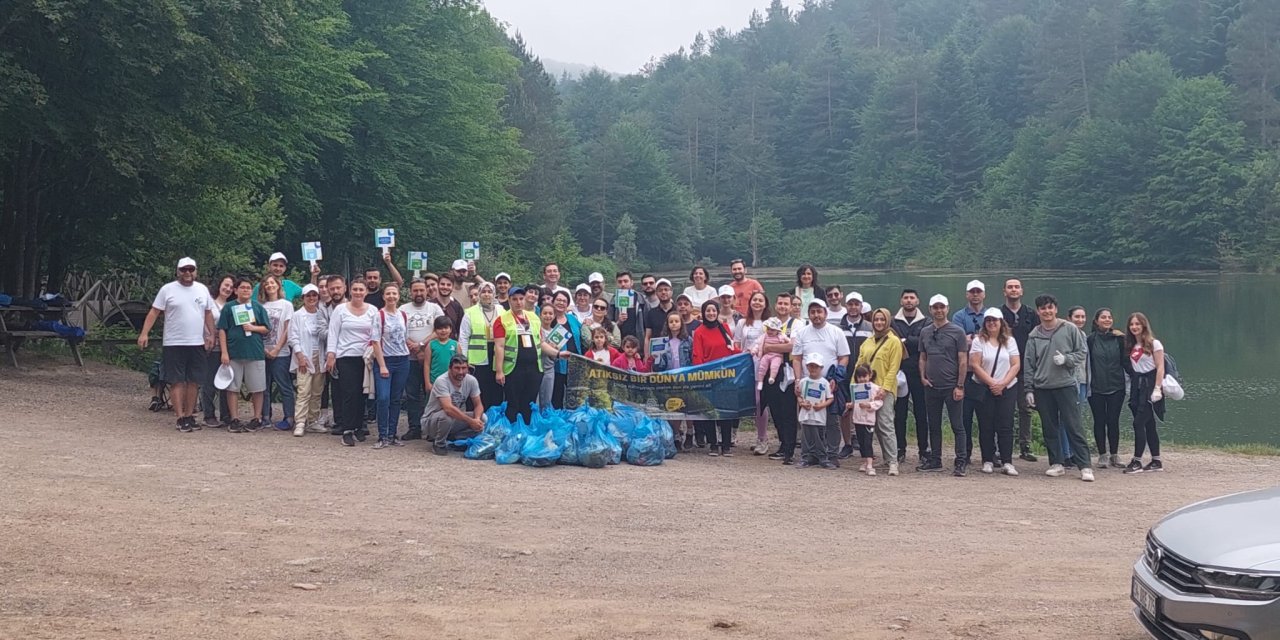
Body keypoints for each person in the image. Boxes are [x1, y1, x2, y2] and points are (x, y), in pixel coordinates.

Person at [138, 257, 216, 432]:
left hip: (197, 341)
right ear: (178, 271)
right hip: (174, 341)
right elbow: (154, 311)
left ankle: (190, 415)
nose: (187, 273)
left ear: (195, 271)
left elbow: (208, 313)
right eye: (184, 270)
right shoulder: (168, 289)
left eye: (191, 269)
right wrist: (144, 333)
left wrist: (211, 334)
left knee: (194, 380)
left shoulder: (202, 289)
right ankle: (180, 416)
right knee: (177, 380)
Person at [1023, 294, 1094, 481]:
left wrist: (1067, 360)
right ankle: (1056, 463)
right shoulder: (1034, 335)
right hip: (1043, 387)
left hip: (1066, 385)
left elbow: (1082, 352)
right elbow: (1029, 364)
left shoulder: (1070, 329)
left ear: (1056, 309)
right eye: (1043, 308)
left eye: (1050, 308)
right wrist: (1029, 389)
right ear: (1038, 311)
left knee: (1074, 425)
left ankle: (1085, 466)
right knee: (1050, 427)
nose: (1047, 311)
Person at [790, 299, 851, 468]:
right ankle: (810, 455)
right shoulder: (802, 333)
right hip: (807, 383)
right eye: (812, 312)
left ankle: (831, 455)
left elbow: (844, 356)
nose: (816, 315)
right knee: (808, 420)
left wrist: (836, 377)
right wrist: (797, 380)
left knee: (831, 421)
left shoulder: (836, 332)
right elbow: (796, 358)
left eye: (819, 311)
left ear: (825, 312)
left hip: (829, 383)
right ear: (808, 314)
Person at [919, 294, 970, 476]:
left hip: (951, 386)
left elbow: (963, 360)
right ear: (930, 309)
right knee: (934, 425)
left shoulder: (957, 332)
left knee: (958, 425)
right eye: (935, 307)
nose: (939, 311)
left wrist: (960, 385)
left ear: (947, 309)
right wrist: (923, 377)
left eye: (942, 307)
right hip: (931, 386)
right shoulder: (925, 331)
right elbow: (923, 356)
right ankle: (935, 459)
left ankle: (961, 461)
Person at [969, 308, 1022, 476]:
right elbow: (975, 364)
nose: (992, 323)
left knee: (1006, 424)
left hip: (1007, 387)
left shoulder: (1010, 341)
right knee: (986, 424)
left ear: (1001, 323)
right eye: (989, 320)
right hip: (985, 387)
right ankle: (987, 460)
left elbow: (1016, 364)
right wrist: (992, 383)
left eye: (995, 320)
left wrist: (1003, 384)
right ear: (985, 323)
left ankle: (1007, 461)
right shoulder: (979, 341)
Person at [326, 280, 379, 446]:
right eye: (355, 289)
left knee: (362, 393)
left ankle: (358, 427)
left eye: (360, 289)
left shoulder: (373, 310)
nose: (357, 292)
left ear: (365, 292)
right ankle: (347, 429)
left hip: (365, 357)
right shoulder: (340, 310)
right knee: (349, 393)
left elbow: (377, 333)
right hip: (345, 356)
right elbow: (333, 333)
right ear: (350, 291)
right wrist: (331, 354)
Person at [216, 276, 270, 433]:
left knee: (257, 388)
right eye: (242, 287)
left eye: (248, 288)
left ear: (252, 291)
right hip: (234, 354)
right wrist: (224, 352)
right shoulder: (229, 307)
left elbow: (267, 328)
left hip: (255, 353)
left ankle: (257, 418)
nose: (245, 290)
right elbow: (222, 330)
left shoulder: (258, 307)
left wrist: (253, 328)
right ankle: (234, 418)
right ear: (235, 290)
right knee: (233, 388)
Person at [691, 300, 741, 456]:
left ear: (717, 312)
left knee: (726, 410)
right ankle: (713, 444)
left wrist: (743, 355)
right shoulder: (699, 332)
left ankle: (725, 444)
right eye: (708, 311)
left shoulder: (724, 328)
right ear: (704, 313)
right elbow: (697, 356)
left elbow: (732, 349)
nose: (711, 313)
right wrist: (701, 375)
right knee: (709, 411)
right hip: (708, 376)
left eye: (714, 310)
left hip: (725, 376)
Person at [857, 308, 903, 476]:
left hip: (885, 389)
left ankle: (893, 461)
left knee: (885, 423)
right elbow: (859, 366)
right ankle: (885, 457)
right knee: (872, 426)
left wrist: (885, 388)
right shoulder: (867, 342)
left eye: (882, 320)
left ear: (888, 321)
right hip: (867, 389)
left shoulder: (894, 341)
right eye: (876, 319)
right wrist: (855, 388)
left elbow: (893, 368)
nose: (879, 323)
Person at [1122, 312, 1166, 474]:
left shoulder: (1155, 344)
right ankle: (1156, 460)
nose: (1134, 327)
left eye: (1137, 324)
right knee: (1149, 424)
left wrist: (1157, 389)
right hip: (1137, 387)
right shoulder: (1132, 345)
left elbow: (1160, 367)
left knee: (1138, 423)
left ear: (1144, 325)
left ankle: (1137, 461)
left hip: (1150, 387)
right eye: (1132, 324)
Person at [1000, 278, 1039, 462]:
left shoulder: (1031, 314)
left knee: (1025, 409)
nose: (1013, 290)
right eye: (1010, 287)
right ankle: (1001, 448)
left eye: (1016, 287)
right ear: (1004, 291)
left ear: (1022, 291)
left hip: (1026, 369)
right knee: (1003, 410)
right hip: (1002, 370)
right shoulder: (998, 315)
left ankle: (1025, 446)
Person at [400, 279, 443, 439]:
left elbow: (440, 329)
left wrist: (421, 345)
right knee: (412, 394)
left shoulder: (435, 308)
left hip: (431, 357)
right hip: (409, 358)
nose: (418, 294)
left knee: (431, 392)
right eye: (415, 291)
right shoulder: (402, 309)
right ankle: (414, 428)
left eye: (421, 290)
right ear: (410, 292)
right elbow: (399, 331)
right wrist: (412, 346)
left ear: (427, 291)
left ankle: (432, 428)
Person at [492, 287, 543, 424]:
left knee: (529, 403)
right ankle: (512, 433)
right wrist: (499, 371)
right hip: (513, 368)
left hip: (534, 368)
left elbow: (540, 341)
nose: (518, 302)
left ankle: (526, 432)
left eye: (521, 299)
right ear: (509, 300)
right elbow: (499, 346)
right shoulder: (501, 320)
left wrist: (557, 353)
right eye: (514, 299)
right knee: (513, 404)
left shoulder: (533, 317)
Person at [369, 283, 410, 449]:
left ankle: (392, 434)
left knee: (396, 398)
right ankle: (382, 435)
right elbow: (375, 341)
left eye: (394, 293)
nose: (391, 296)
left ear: (398, 296)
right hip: (385, 360)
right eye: (388, 294)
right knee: (383, 397)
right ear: (383, 296)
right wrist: (382, 365)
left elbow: (405, 337)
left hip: (403, 359)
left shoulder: (403, 315)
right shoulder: (379, 315)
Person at [762, 293, 801, 464]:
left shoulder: (797, 324)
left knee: (788, 411)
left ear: (792, 306)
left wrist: (770, 346)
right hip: (770, 371)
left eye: (786, 304)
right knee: (775, 410)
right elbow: (760, 342)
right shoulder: (770, 322)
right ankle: (782, 444)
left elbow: (792, 345)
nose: (783, 306)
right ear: (776, 305)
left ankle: (790, 449)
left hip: (789, 371)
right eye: (780, 303)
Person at [423, 354, 486, 456]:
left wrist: (477, 419)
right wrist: (471, 421)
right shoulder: (441, 381)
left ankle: (456, 440)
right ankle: (439, 444)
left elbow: (478, 405)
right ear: (450, 368)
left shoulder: (471, 380)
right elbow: (448, 409)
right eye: (457, 368)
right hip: (432, 420)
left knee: (483, 418)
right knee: (446, 415)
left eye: (464, 368)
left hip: (454, 419)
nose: (461, 372)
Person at [1087, 308, 1127, 469]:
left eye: (1109, 317)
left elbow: (1127, 361)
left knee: (1113, 421)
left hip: (1117, 386)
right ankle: (1102, 455)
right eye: (1103, 317)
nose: (1107, 320)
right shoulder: (1090, 340)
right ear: (1096, 321)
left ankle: (1114, 455)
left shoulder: (1119, 339)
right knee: (1099, 421)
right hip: (1096, 387)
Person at [952, 280, 987, 458]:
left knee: (987, 417)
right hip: (965, 373)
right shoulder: (958, 316)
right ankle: (965, 453)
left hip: (987, 373)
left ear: (983, 294)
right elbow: (959, 341)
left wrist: (973, 338)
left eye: (978, 291)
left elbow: (994, 339)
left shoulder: (990, 314)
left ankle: (989, 453)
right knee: (964, 416)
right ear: (967, 294)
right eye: (972, 292)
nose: (975, 294)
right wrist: (980, 339)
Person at [892, 290, 927, 464]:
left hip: (920, 373)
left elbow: (924, 341)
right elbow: (893, 341)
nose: (909, 300)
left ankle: (923, 450)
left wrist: (905, 340)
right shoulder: (892, 320)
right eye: (905, 297)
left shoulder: (926, 321)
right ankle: (900, 449)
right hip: (899, 372)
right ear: (901, 300)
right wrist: (912, 340)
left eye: (912, 297)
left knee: (922, 412)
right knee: (900, 413)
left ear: (917, 300)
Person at [735, 291, 773, 455]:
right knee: (746, 401)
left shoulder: (770, 322)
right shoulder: (742, 322)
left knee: (760, 402)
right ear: (750, 303)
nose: (757, 303)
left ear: (765, 304)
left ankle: (762, 438)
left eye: (760, 300)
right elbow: (737, 344)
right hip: (746, 365)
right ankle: (732, 435)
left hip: (764, 365)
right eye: (754, 300)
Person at [836, 291, 873, 459]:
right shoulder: (838, 329)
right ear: (846, 306)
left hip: (863, 377)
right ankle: (848, 444)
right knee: (845, 411)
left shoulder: (870, 327)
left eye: (856, 304)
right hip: (844, 375)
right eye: (850, 304)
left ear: (861, 306)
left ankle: (867, 446)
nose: (853, 307)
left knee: (864, 409)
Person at [289, 284, 329, 436]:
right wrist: (300, 356)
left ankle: (313, 420)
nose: (312, 298)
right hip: (304, 356)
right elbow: (293, 337)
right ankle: (300, 421)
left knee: (317, 391)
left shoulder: (321, 314)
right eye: (308, 296)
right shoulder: (297, 315)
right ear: (303, 298)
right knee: (303, 390)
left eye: (314, 295)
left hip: (320, 355)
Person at [257, 275, 296, 430]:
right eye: (266, 284)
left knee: (284, 385)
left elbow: (288, 328)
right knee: (263, 386)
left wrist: (277, 348)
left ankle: (289, 417)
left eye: (272, 283)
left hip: (281, 352)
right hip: (263, 350)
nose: (270, 285)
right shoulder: (259, 305)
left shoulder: (286, 305)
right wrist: (263, 348)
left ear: (278, 286)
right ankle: (265, 416)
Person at [459, 281, 503, 410]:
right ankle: (473, 422)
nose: (486, 294)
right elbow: (463, 337)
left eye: (490, 292)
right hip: (477, 360)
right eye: (483, 292)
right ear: (479, 294)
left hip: (497, 356)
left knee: (495, 391)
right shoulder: (470, 312)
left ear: (494, 294)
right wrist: (464, 360)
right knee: (477, 391)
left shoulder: (501, 310)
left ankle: (493, 423)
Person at [200, 274, 234, 427]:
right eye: (225, 285)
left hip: (229, 348)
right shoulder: (210, 303)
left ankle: (226, 415)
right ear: (219, 285)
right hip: (211, 347)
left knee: (227, 382)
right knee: (209, 381)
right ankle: (209, 414)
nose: (228, 288)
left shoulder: (233, 306)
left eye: (231, 287)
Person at [1061, 305, 1090, 466]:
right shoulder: (1065, 334)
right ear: (1069, 318)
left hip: (1083, 381)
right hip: (1070, 381)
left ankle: (1073, 453)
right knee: (1066, 419)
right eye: (1076, 317)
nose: (1080, 320)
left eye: (1082, 317)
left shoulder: (1084, 335)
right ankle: (1065, 454)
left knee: (1076, 419)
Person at [797, 352, 837, 469]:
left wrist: (822, 405)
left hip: (819, 416)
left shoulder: (824, 383)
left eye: (816, 366)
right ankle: (806, 457)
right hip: (806, 415)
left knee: (820, 437)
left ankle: (822, 458)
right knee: (806, 437)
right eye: (811, 366)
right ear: (807, 367)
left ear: (821, 368)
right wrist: (802, 403)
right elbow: (799, 395)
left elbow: (830, 398)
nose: (813, 369)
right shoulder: (803, 381)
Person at [318, 274, 348, 433]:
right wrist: (338, 331)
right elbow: (322, 332)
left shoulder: (353, 306)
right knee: (335, 390)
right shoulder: (323, 309)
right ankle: (339, 420)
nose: (336, 291)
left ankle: (357, 422)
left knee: (352, 389)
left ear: (344, 288)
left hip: (350, 354)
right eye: (332, 289)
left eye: (338, 288)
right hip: (331, 354)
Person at [845, 364, 885, 476]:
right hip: (857, 419)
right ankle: (864, 461)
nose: (862, 379)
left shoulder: (875, 388)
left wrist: (869, 405)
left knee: (868, 441)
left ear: (869, 375)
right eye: (859, 377)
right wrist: (850, 405)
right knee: (861, 441)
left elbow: (879, 402)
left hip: (868, 419)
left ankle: (870, 464)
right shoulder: (855, 388)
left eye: (864, 376)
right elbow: (854, 401)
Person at [546, 290, 584, 408]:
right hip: (557, 363)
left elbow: (583, 333)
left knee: (575, 396)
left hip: (575, 363)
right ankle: (557, 419)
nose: (561, 303)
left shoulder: (572, 318)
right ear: (552, 301)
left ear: (568, 304)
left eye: (564, 301)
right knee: (557, 395)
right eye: (558, 300)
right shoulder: (548, 318)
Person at [421, 315, 460, 407]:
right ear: (435, 330)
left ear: (450, 329)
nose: (443, 331)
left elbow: (460, 364)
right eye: (440, 328)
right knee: (433, 406)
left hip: (452, 381)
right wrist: (427, 383)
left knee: (451, 407)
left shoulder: (455, 344)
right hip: (435, 381)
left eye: (446, 328)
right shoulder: (431, 345)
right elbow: (426, 364)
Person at [643, 278, 675, 356]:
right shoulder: (651, 313)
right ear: (656, 293)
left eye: (666, 289)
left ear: (671, 292)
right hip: (657, 352)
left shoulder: (678, 311)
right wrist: (646, 356)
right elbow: (647, 337)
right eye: (660, 290)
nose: (663, 292)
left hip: (675, 352)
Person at [753, 317, 788, 389]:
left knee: (775, 366)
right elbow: (758, 343)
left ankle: (772, 377)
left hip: (777, 356)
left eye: (772, 330)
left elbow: (789, 342)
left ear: (777, 331)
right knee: (762, 366)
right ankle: (760, 381)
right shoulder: (764, 336)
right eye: (768, 329)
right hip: (766, 355)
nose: (769, 331)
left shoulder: (781, 336)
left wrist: (787, 341)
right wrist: (754, 349)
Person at [611, 271, 645, 340]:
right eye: (620, 282)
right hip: (620, 342)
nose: (623, 284)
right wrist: (618, 322)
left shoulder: (642, 300)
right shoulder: (613, 301)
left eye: (626, 281)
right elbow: (608, 325)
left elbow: (648, 325)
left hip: (638, 341)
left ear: (631, 282)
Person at [435, 276, 464, 341]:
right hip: (433, 347)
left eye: (448, 285)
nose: (445, 287)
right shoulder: (430, 305)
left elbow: (461, 331)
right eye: (442, 284)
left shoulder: (457, 307)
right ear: (437, 285)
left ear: (452, 287)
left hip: (452, 347)